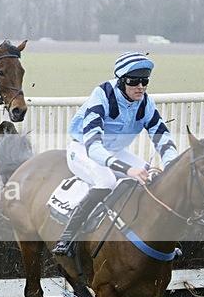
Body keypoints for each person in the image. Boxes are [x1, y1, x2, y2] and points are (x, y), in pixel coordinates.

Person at [52, 51, 179, 257]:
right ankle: (68, 236)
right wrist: (128, 170)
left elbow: (162, 138)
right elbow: (93, 148)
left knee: (150, 178)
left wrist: (171, 165)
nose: (140, 87)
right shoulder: (102, 95)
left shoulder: (145, 102)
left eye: (145, 82)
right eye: (134, 81)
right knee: (106, 181)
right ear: (120, 81)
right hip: (84, 149)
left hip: (115, 151)